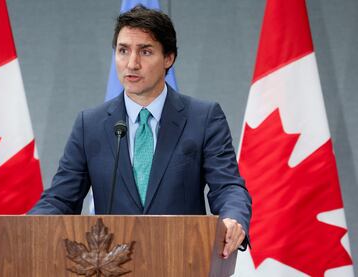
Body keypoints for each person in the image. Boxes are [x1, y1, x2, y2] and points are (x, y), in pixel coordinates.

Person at [29, 5, 251, 259]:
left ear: (169, 58)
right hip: (113, 265)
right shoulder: (90, 125)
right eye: (123, 51)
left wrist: (233, 218)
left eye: (145, 51)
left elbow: (227, 186)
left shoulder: (203, 118)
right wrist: (25, 229)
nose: (132, 64)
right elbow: (61, 199)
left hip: (183, 260)